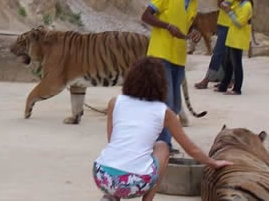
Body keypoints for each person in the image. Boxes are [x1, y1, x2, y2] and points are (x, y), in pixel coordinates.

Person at [93, 57, 232, 201]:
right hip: (135, 183)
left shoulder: (115, 102)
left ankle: (111, 196)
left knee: (121, 149)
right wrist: (213, 163)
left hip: (102, 175)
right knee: (163, 147)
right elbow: (191, 150)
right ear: (161, 84)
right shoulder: (164, 112)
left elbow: (112, 140)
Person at [141, 0, 212, 153]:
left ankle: (160, 143)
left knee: (174, 104)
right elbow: (146, 16)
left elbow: (186, 26)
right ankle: (164, 145)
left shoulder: (194, 2)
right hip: (160, 55)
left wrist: (193, 32)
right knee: (167, 103)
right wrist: (166, 26)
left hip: (179, 58)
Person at [194, 0, 240, 89]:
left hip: (227, 25)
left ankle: (207, 79)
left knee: (218, 52)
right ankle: (229, 79)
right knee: (226, 54)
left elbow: (221, 3)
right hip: (225, 24)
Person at [215, 0, 253, 95]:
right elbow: (226, 5)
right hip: (233, 38)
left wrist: (230, 12)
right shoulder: (239, 4)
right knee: (228, 63)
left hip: (238, 39)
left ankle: (237, 89)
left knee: (236, 64)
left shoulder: (246, 6)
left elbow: (239, 23)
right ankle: (223, 86)